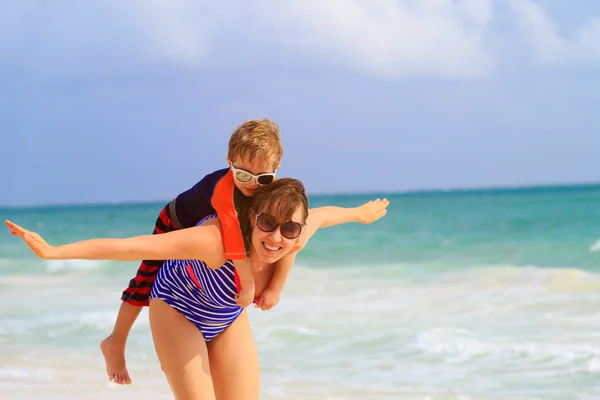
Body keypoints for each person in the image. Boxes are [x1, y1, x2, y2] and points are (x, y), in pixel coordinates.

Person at [6, 178, 389, 400]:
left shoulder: (297, 233)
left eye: (289, 229)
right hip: (177, 309)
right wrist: (54, 252)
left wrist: (361, 214)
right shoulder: (214, 241)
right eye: (267, 225)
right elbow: (130, 247)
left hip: (224, 319)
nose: (277, 238)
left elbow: (328, 215)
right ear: (251, 219)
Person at [102, 118, 297, 384]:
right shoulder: (224, 190)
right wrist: (248, 283)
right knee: (145, 279)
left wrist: (276, 287)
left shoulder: (271, 190)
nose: (253, 184)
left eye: (263, 177)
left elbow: (296, 234)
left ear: (276, 169)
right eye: (243, 175)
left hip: (203, 228)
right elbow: (232, 239)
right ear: (230, 161)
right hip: (176, 221)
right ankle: (116, 342)